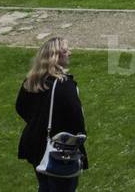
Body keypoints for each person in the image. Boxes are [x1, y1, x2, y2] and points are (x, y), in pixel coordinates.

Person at [16, 37, 87, 191]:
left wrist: (37, 123)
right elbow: (77, 120)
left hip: (35, 145)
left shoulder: (32, 81)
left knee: (45, 186)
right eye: (65, 50)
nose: (70, 53)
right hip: (59, 149)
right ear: (56, 56)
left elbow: (21, 107)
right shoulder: (64, 85)